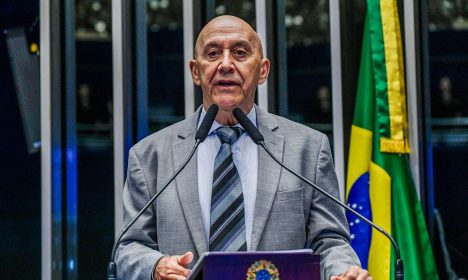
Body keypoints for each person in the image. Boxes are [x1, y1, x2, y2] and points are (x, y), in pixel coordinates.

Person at [116, 15, 370, 280]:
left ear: (262, 70)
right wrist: (155, 266)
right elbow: (128, 248)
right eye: (213, 53)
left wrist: (343, 272)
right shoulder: (149, 156)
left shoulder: (308, 148)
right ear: (195, 71)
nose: (226, 64)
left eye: (240, 53)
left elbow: (330, 241)